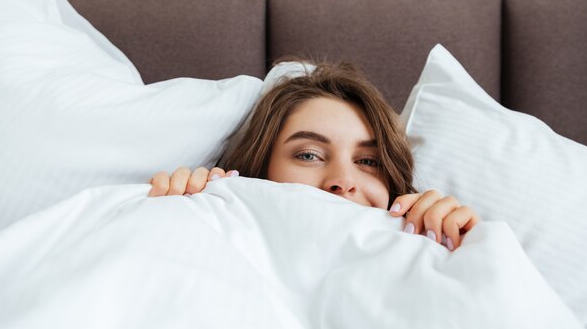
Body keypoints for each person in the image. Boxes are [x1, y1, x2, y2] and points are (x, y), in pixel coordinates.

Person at [148, 58, 480, 251]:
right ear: (258, 172)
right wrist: (177, 215)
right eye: (309, 155)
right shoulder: (214, 230)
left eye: (368, 161)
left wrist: (466, 249)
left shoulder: (430, 247)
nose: (343, 182)